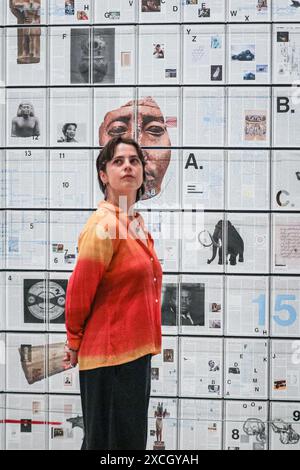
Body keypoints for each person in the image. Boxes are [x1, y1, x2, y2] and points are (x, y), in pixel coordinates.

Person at [64, 136, 163, 450]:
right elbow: (78, 294)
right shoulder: (103, 225)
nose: (128, 167)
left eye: (134, 160)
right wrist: (74, 341)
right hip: (110, 359)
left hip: (133, 355)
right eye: (118, 161)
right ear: (103, 175)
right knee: (111, 446)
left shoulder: (133, 222)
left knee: (124, 444)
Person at [99, 96, 171, 200]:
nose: (139, 153)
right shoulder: (106, 215)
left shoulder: (132, 215)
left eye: (155, 129)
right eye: (117, 129)